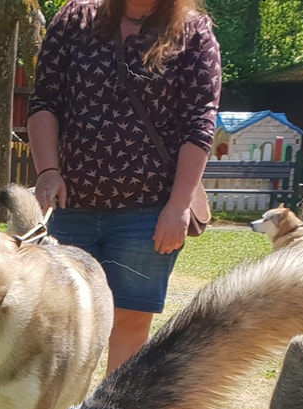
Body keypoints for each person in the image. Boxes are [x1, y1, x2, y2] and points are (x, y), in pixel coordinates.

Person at [25, 0, 221, 371]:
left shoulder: (193, 32)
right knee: (62, 321)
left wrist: (178, 206)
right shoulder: (74, 19)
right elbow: (45, 99)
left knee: (129, 322)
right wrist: (47, 170)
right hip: (72, 205)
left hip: (148, 212)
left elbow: (200, 124)